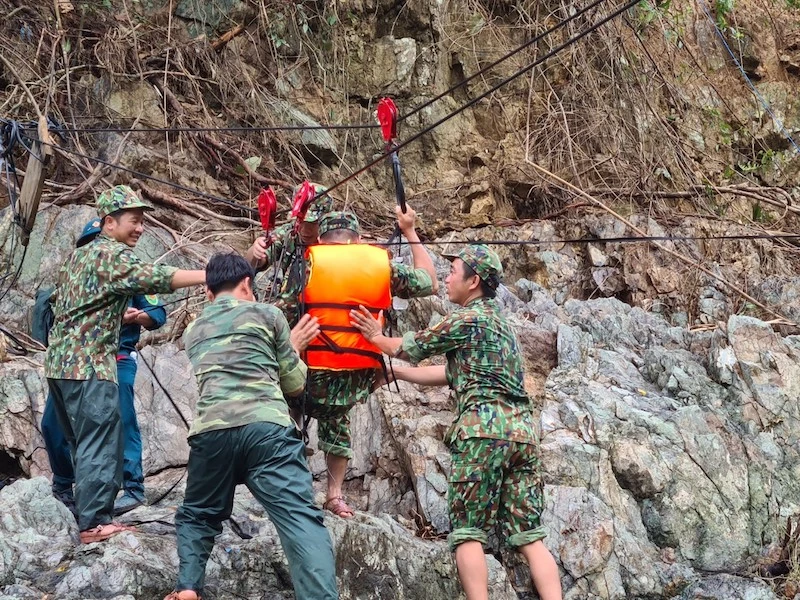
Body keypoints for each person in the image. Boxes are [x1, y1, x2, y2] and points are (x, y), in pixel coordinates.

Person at [350, 244, 562, 600]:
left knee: (468, 533)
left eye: (452, 272)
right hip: (523, 437)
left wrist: (375, 337)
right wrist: (396, 374)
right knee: (530, 535)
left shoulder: (467, 319)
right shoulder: (502, 326)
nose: (446, 279)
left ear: (473, 281)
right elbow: (451, 374)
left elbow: (412, 346)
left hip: (482, 435)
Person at [163, 253, 336, 600]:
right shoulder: (268, 315)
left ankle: (188, 588)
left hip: (211, 433)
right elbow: (294, 384)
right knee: (300, 521)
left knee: (198, 515)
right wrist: (294, 348)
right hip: (267, 430)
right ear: (246, 284)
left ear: (208, 293)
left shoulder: (194, 331)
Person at [45, 185, 206, 544]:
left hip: (59, 366)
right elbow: (156, 277)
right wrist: (210, 275)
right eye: (134, 221)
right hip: (90, 367)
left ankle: (87, 513)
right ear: (109, 223)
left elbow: (64, 304)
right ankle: (94, 524)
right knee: (101, 441)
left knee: (81, 442)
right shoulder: (110, 254)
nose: (140, 228)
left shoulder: (78, 257)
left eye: (142, 221)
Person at [278, 207, 438, 518]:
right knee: (338, 416)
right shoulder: (381, 266)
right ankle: (335, 495)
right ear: (359, 239)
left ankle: (290, 480)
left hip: (307, 377)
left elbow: (281, 314)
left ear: (321, 240)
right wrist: (409, 230)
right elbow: (430, 282)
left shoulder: (306, 263)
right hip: (355, 380)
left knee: (288, 397)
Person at [39, 218, 167, 515]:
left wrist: (136, 317)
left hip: (116, 357)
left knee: (122, 418)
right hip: (75, 360)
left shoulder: (127, 269)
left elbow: (157, 313)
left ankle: (133, 487)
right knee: (52, 422)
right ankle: (64, 483)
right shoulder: (75, 274)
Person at [244, 182, 332, 298]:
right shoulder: (289, 233)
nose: (305, 230)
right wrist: (256, 251)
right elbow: (254, 262)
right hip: (285, 303)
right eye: (300, 221)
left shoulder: (333, 240)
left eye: (312, 224)